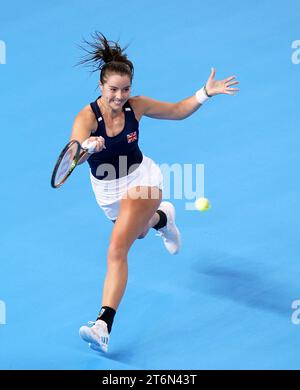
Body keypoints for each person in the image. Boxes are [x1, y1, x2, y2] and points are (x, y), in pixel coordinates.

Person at [71, 32, 239, 353]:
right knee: (140, 233)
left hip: (143, 179)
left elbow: (177, 110)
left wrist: (205, 92)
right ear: (101, 87)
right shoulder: (86, 118)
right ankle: (163, 219)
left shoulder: (138, 106)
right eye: (113, 90)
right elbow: (72, 157)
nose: (120, 96)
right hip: (107, 189)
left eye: (125, 89)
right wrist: (87, 147)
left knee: (116, 250)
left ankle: (103, 325)